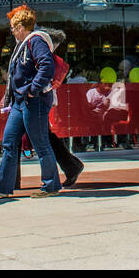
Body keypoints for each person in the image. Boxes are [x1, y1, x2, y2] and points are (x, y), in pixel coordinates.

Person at [0, 5, 61, 199]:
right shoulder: (24, 44)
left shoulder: (36, 41)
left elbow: (46, 66)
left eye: (13, 27)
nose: (12, 31)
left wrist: (33, 89)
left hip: (34, 100)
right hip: (20, 101)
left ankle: (50, 185)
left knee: (40, 142)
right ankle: (2, 186)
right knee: (9, 141)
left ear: (21, 26)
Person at [43, 28, 83, 186]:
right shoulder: (52, 57)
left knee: (44, 137)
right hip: (45, 99)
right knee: (44, 136)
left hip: (40, 99)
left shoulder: (45, 56)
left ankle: (70, 167)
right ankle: (71, 166)